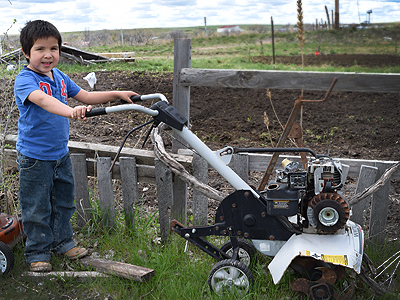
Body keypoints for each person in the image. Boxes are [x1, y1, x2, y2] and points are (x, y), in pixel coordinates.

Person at [14, 20, 138, 272]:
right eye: (40, 49)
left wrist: (118, 93)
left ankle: (63, 242)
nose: (48, 55)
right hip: (35, 157)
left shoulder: (59, 76)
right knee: (37, 205)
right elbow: (44, 101)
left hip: (60, 154)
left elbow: (87, 96)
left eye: (54, 48)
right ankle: (37, 251)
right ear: (27, 52)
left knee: (63, 201)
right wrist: (71, 112)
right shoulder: (25, 80)